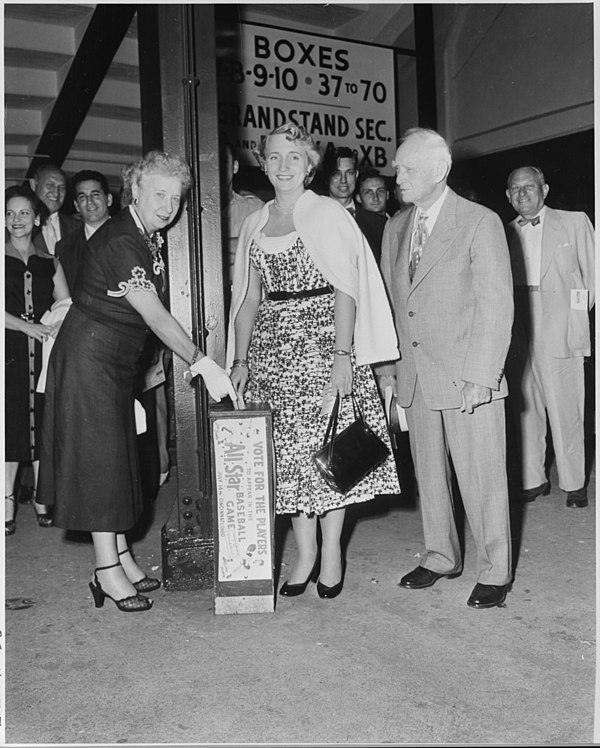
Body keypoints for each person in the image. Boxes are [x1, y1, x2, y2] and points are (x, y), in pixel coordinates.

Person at [38, 151, 236, 613]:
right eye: (159, 194)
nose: (169, 205)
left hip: (112, 361)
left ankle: (121, 555)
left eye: (176, 197)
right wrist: (201, 360)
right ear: (136, 191)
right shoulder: (124, 241)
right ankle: (105, 570)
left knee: (118, 455)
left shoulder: (142, 233)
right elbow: (155, 316)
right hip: (90, 358)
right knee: (101, 463)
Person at [228, 122, 400, 600]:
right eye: (275, 157)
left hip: (324, 346)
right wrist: (240, 360)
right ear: (263, 162)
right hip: (272, 355)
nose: (283, 165)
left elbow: (347, 286)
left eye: (294, 157)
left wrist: (344, 356)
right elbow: (247, 299)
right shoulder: (255, 222)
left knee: (330, 453)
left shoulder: (327, 213)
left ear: (309, 166)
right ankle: (302, 554)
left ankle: (331, 553)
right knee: (288, 460)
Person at [378, 128, 514, 609]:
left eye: (408, 169)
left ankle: (495, 569)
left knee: (482, 476)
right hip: (415, 373)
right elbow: (395, 307)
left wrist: (482, 374)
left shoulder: (480, 222)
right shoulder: (396, 227)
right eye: (398, 167)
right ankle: (440, 555)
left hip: (466, 376)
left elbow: (497, 306)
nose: (399, 177)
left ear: (440, 171)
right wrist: (390, 370)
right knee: (430, 476)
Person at [505, 166, 595, 508]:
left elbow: (594, 274)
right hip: (518, 321)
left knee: (566, 406)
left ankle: (573, 482)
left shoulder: (574, 222)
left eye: (529, 186)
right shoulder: (504, 229)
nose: (522, 193)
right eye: (515, 189)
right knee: (525, 405)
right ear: (508, 196)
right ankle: (533, 479)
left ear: (544, 188)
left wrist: (575, 318)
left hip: (559, 323)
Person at [5, 186, 70, 535]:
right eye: (10, 213)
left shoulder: (49, 261)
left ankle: (43, 496)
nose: (17, 220)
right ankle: (6, 500)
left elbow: (65, 302)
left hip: (42, 351)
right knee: (10, 420)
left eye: (24, 213)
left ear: (37, 218)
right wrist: (26, 327)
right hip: (9, 351)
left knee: (44, 416)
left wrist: (54, 322)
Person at [322, 145, 387, 262]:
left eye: (349, 173)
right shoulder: (312, 219)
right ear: (328, 176)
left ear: (356, 175)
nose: (343, 180)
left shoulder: (379, 225)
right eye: (337, 173)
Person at [55, 169, 113, 291]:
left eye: (95, 195)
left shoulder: (131, 236)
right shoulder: (65, 247)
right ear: (76, 206)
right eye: (83, 197)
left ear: (109, 199)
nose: (89, 202)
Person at [220, 140, 264, 288]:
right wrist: (240, 245)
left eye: (223, 160)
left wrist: (212, 248)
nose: (217, 167)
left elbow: (263, 250)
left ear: (235, 166)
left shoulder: (255, 209)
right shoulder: (190, 212)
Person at [28, 164, 80, 255]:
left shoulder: (78, 228)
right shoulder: (19, 224)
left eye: (62, 188)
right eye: (49, 185)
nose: (56, 193)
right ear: (33, 185)